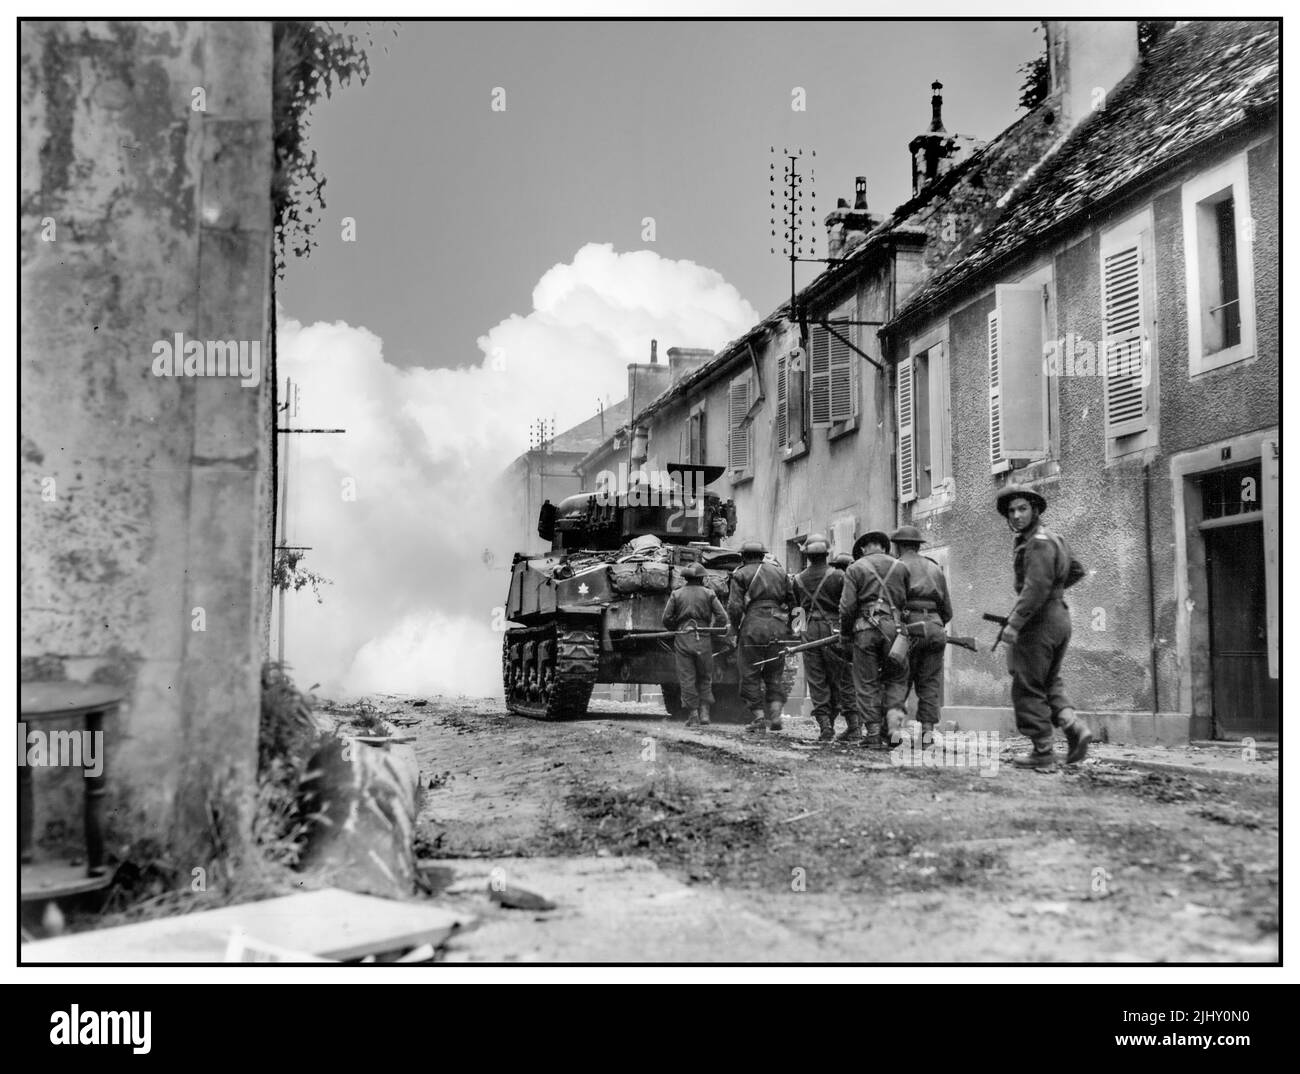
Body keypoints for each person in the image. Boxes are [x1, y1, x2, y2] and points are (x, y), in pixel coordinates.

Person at [995, 485, 1091, 769]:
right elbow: (1076, 570)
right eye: (1011, 511)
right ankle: (1074, 727)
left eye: (1022, 508)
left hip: (1039, 621)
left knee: (1027, 685)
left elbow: (1035, 587)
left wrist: (1014, 623)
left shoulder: (1036, 542)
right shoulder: (1054, 537)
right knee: (1048, 681)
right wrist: (1054, 592)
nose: (1016, 515)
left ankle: (1042, 751)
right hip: (1059, 616)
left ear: (1035, 510)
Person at [838, 531, 910, 747]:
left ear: (862, 548)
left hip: (865, 629)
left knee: (866, 681)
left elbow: (847, 607)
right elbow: (907, 600)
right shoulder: (901, 567)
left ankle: (873, 733)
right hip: (895, 629)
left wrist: (845, 634)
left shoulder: (855, 568)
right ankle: (894, 729)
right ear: (884, 546)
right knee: (896, 679)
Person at [891, 526, 953, 748]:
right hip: (935, 627)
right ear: (918, 545)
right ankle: (927, 734)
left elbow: (893, 603)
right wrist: (933, 623)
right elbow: (948, 611)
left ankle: (893, 733)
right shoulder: (935, 568)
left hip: (909, 628)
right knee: (930, 682)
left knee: (899, 679)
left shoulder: (896, 567)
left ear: (898, 546)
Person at [728, 540, 794, 732]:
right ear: (763, 555)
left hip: (753, 627)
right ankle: (775, 716)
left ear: (743, 557)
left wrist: (734, 627)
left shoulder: (740, 574)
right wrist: (795, 628)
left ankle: (758, 719)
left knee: (749, 672)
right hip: (778, 627)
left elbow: (734, 606)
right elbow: (795, 603)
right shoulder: (780, 573)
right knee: (775, 673)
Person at [791, 535, 849, 742]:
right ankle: (835, 720)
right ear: (827, 554)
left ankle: (825, 725)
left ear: (806, 555)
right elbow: (847, 606)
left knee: (816, 679)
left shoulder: (798, 580)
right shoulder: (840, 576)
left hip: (810, 631)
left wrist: (800, 635)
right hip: (834, 630)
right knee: (837, 677)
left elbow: (797, 610)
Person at [662, 562, 730, 727]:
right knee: (705, 676)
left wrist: (677, 628)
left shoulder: (676, 594)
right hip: (704, 638)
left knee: (687, 677)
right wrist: (711, 630)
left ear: (685, 578)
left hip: (683, 637)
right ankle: (705, 713)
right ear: (702, 578)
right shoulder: (709, 593)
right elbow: (722, 617)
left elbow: (666, 618)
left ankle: (693, 715)